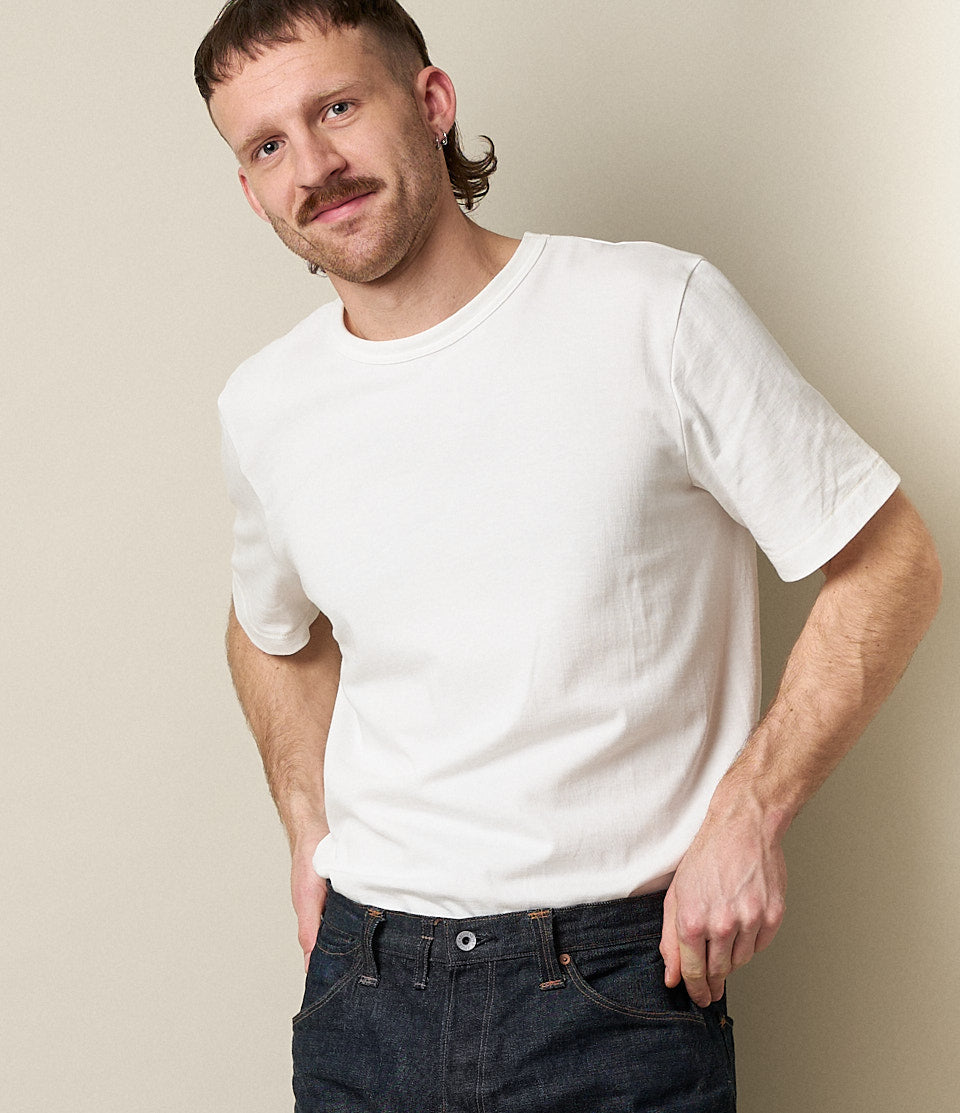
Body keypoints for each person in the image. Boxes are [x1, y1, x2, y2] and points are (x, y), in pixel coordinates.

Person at [194, 2, 942, 1110]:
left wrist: (748, 812)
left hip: (610, 993)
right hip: (364, 990)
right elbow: (268, 634)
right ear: (250, 190)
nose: (314, 165)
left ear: (432, 103)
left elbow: (891, 560)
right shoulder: (265, 406)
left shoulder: (649, 311)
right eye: (266, 146)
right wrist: (308, 826)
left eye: (338, 107)